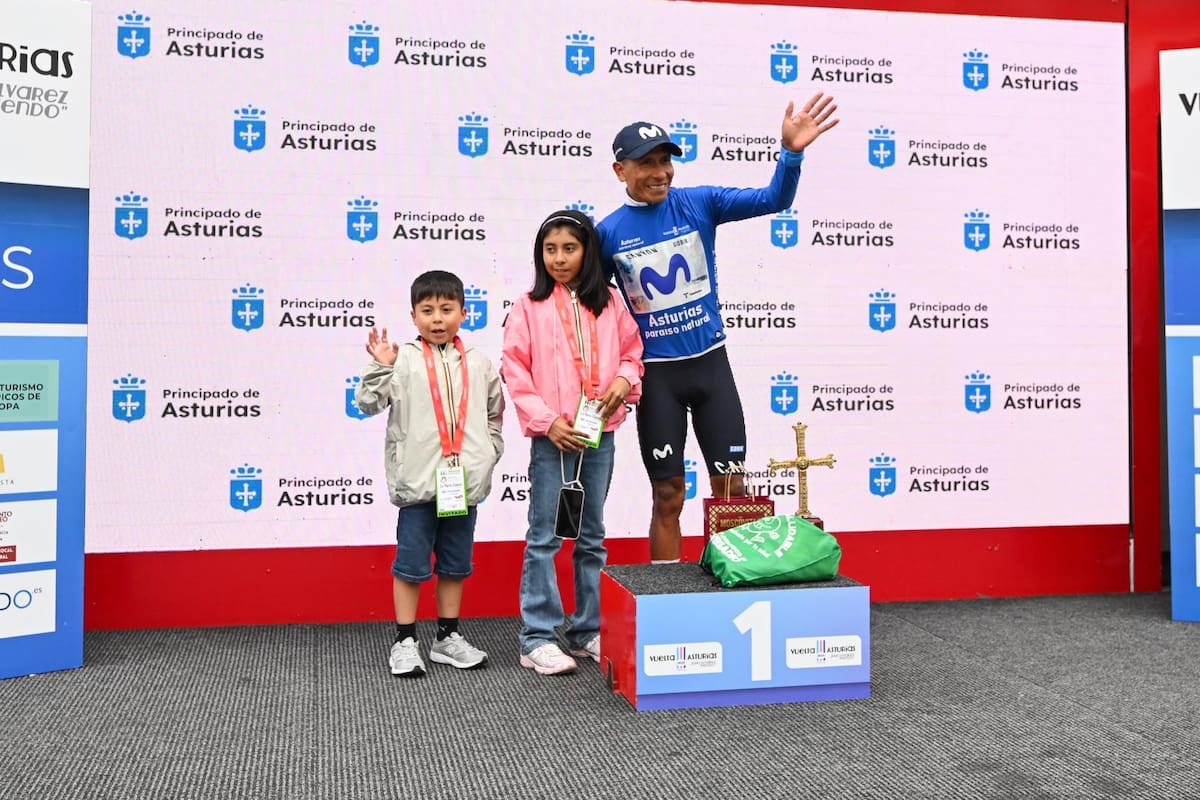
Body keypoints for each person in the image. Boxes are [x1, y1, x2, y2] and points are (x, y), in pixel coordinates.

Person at [597, 94, 839, 564]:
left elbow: (775, 199)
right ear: (619, 170)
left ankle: (737, 583)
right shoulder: (607, 233)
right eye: (647, 163)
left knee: (732, 487)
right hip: (658, 377)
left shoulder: (700, 203)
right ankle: (666, 595)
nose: (661, 172)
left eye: (666, 161)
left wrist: (791, 154)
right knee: (668, 494)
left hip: (712, 368)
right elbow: (589, 307)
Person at [501, 209, 644, 675]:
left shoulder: (609, 301)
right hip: (554, 438)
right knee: (545, 536)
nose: (559, 258)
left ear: (588, 252)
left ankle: (585, 630)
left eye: (569, 248)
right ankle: (537, 636)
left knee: (591, 535)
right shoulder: (528, 306)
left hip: (597, 434)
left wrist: (625, 379)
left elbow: (632, 351)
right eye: (550, 249)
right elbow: (515, 370)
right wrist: (545, 421)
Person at [355, 270, 505, 677]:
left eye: (446, 309)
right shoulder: (400, 360)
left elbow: (494, 414)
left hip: (462, 485)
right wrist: (379, 367)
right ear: (413, 315)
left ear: (464, 312)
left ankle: (447, 637)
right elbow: (367, 403)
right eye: (427, 311)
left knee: (455, 565)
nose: (437, 318)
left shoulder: (480, 363)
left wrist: (489, 454)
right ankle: (405, 640)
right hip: (419, 485)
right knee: (410, 565)